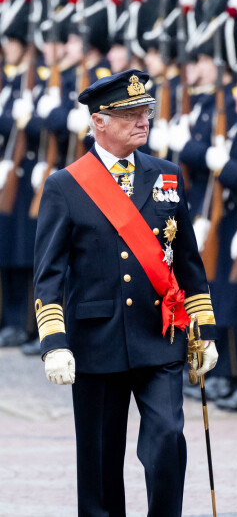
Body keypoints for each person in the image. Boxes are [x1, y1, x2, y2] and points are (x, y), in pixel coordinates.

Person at [33, 69, 218, 517]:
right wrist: (54, 344)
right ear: (99, 122)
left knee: (168, 440)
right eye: (130, 113)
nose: (143, 121)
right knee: (99, 460)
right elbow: (49, 274)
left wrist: (205, 329)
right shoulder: (66, 185)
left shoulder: (166, 176)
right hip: (97, 338)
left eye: (146, 111)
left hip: (159, 335)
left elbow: (188, 262)